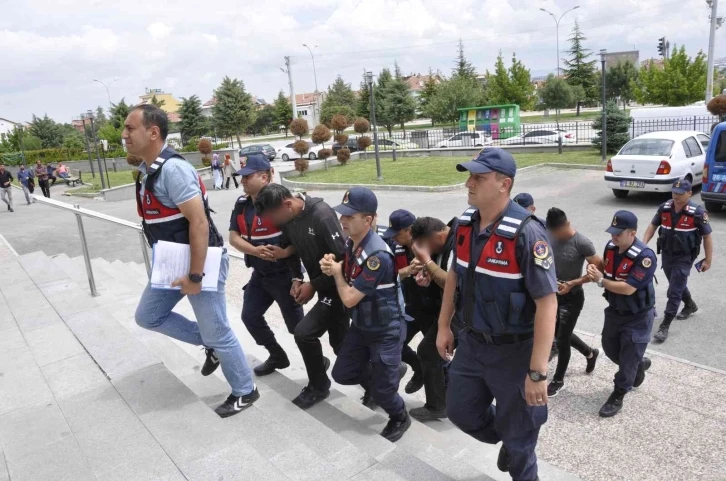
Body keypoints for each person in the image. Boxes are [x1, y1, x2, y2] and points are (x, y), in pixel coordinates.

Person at [125, 104, 258, 418]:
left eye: (130, 128)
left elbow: (199, 224)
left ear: (153, 132)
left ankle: (245, 389)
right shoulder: (149, 170)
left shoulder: (173, 170)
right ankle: (210, 344)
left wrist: (195, 277)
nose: (124, 135)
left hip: (202, 262)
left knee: (219, 330)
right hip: (173, 260)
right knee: (148, 316)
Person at [437, 148, 557, 481]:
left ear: (504, 184)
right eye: (470, 176)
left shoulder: (528, 233)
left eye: (478, 177)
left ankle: (517, 443)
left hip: (515, 353)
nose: (468, 183)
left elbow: (548, 303)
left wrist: (537, 372)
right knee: (460, 411)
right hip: (472, 344)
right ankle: (509, 433)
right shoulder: (464, 225)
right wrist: (443, 325)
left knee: (520, 448)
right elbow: (455, 277)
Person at [320, 187, 412, 442]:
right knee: (342, 373)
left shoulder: (377, 256)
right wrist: (334, 265)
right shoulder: (353, 243)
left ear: (369, 220)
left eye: (350, 216)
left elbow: (349, 297)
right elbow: (349, 273)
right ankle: (388, 377)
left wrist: (337, 273)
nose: (343, 221)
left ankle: (400, 416)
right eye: (343, 215)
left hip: (386, 330)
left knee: (383, 393)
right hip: (362, 325)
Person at [254, 183, 349, 409]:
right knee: (339, 344)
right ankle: (325, 382)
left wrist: (312, 285)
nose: (272, 222)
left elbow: (344, 262)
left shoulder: (322, 215)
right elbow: (289, 250)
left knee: (308, 335)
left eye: (272, 216)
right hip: (322, 288)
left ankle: (375, 382)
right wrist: (297, 279)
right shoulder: (288, 218)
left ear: (287, 204)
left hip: (339, 289)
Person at [228, 154, 304, 376]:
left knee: (298, 329)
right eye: (241, 176)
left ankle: (316, 362)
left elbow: (300, 240)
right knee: (250, 316)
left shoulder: (282, 202)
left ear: (264, 177)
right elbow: (233, 237)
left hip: (284, 274)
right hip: (260, 274)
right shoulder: (242, 205)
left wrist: (294, 274)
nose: (242, 180)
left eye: (247, 176)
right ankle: (277, 355)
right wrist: (255, 251)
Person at [586, 210, 656, 418]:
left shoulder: (645, 257)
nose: (613, 237)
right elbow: (605, 269)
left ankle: (618, 393)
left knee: (627, 359)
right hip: (615, 312)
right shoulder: (611, 248)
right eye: (612, 232)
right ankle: (638, 364)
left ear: (632, 233)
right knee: (610, 349)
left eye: (619, 233)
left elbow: (628, 288)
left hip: (638, 316)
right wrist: (593, 270)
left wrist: (600, 280)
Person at [643, 179, 713, 343]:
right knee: (676, 282)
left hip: (685, 256)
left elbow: (707, 236)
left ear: (689, 193)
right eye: (674, 193)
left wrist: (708, 260)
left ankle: (665, 325)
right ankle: (690, 305)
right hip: (667, 254)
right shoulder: (665, 207)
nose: (676, 196)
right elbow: (652, 226)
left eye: (680, 194)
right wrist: (643, 245)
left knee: (674, 290)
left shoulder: (697, 212)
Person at [406, 215, 459, 421]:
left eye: (426, 245)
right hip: (448, 309)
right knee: (433, 353)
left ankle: (438, 405)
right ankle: (444, 400)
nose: (425, 251)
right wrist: (427, 274)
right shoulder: (442, 245)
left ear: (438, 235)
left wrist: (427, 261)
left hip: (463, 311)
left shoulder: (457, 243)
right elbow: (440, 275)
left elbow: (451, 283)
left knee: (428, 351)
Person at [545, 208, 601, 397]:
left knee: (561, 340)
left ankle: (558, 380)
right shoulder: (549, 234)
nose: (554, 236)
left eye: (556, 233)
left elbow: (598, 271)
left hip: (572, 297)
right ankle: (590, 353)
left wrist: (573, 283)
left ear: (566, 225)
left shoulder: (582, 243)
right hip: (552, 294)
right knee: (559, 333)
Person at [380, 209, 425, 396]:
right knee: (394, 343)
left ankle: (441, 394)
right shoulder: (392, 245)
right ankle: (419, 369)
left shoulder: (427, 244)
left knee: (434, 352)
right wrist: (407, 270)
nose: (394, 239)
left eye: (398, 234)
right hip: (409, 306)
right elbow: (385, 276)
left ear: (410, 230)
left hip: (433, 308)